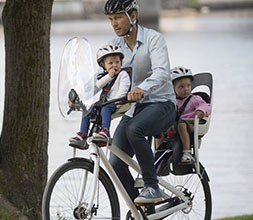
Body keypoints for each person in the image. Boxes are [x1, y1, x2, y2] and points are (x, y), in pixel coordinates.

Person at [104, 0, 176, 204]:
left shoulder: (154, 39)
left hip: (162, 103)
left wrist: (141, 88)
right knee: (115, 161)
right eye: (111, 19)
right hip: (134, 108)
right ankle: (143, 211)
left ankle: (152, 187)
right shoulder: (115, 46)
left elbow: (162, 72)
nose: (114, 23)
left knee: (134, 129)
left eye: (118, 17)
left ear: (132, 16)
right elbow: (106, 75)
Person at [69, 43, 131, 149]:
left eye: (117, 62)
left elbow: (124, 88)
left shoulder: (123, 74)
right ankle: (83, 133)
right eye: (110, 63)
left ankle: (105, 131)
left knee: (105, 109)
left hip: (115, 102)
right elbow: (98, 85)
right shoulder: (106, 76)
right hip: (104, 101)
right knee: (88, 109)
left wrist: (118, 101)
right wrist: (109, 76)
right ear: (104, 66)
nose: (114, 65)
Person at [170, 66, 212, 163]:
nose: (186, 89)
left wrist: (201, 111)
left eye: (188, 86)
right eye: (181, 87)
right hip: (177, 124)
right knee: (161, 126)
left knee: (181, 125)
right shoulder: (172, 101)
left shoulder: (194, 99)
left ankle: (187, 152)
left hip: (192, 124)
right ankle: (159, 150)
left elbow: (206, 106)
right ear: (173, 88)